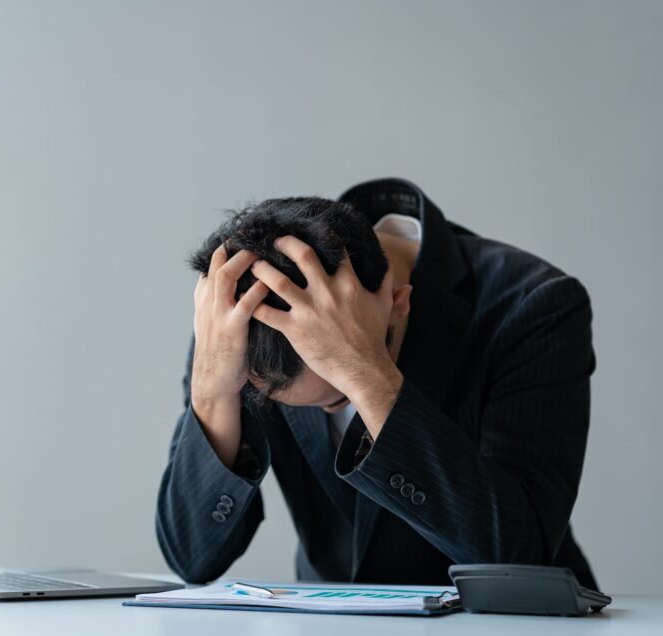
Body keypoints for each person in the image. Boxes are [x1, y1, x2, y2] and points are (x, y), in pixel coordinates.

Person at [155, 177, 599, 589]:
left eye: (338, 397)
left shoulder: (534, 304)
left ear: (398, 305)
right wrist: (211, 396)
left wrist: (366, 376)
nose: (338, 415)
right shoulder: (239, 314)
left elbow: (518, 560)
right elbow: (193, 559)